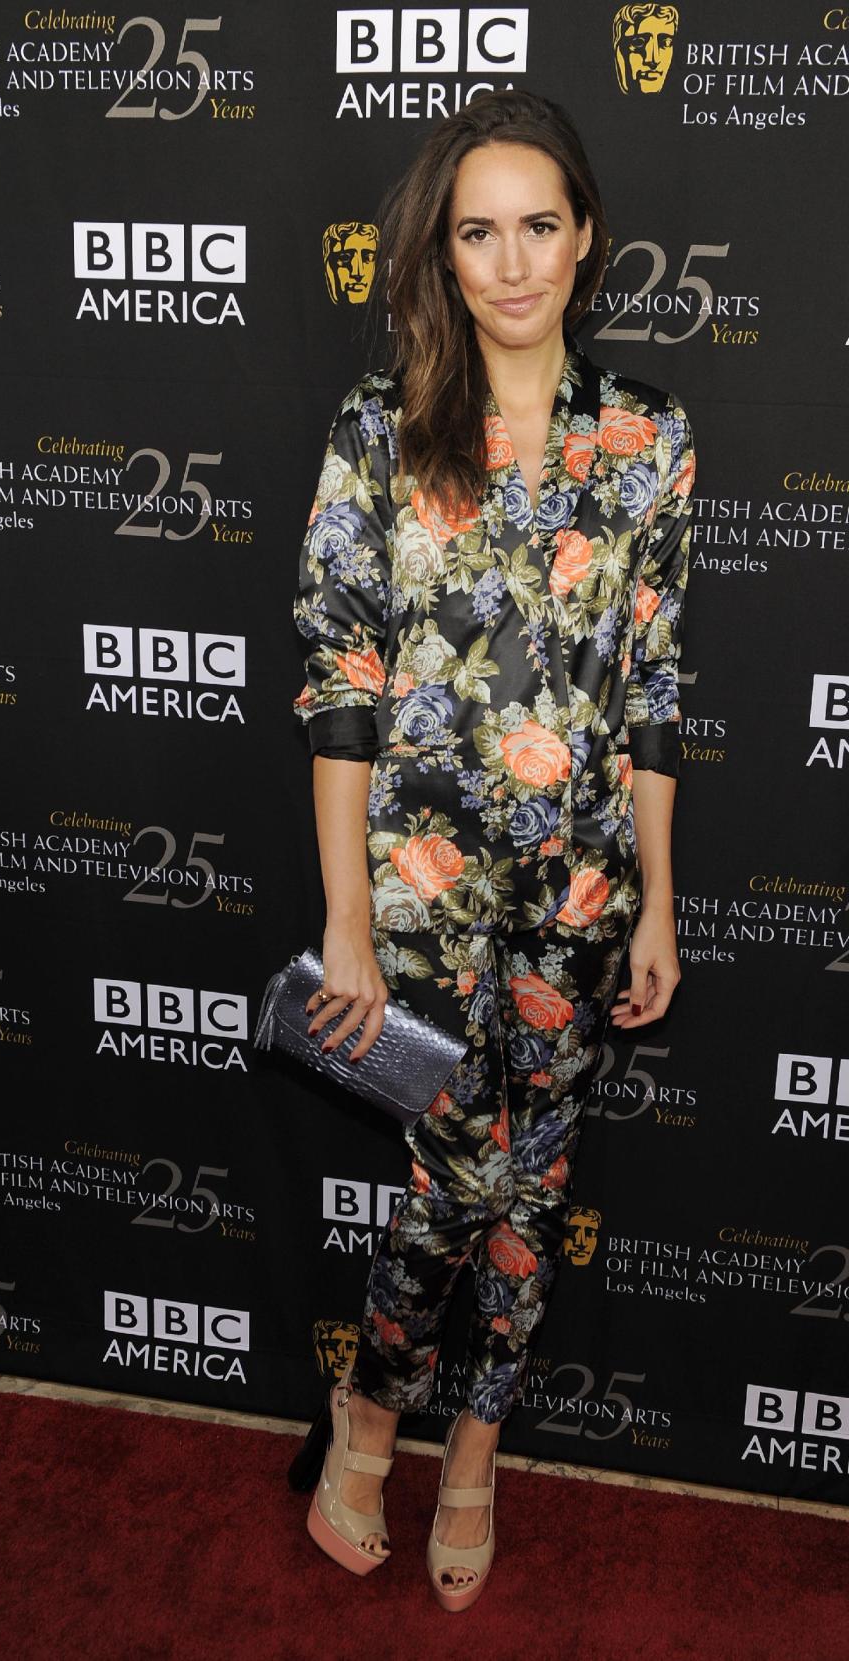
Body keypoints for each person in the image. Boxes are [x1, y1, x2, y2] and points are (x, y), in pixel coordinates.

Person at [290, 87, 695, 1611]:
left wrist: (660, 892)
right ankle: (373, 1416)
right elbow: (339, 681)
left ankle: (471, 1445)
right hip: (419, 899)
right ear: (442, 254)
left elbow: (654, 685)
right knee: (465, 1178)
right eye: (479, 231)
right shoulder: (379, 430)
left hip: (585, 894)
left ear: (585, 239)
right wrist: (345, 918)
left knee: (536, 1187)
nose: (513, 261)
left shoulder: (652, 437)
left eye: (541, 225)